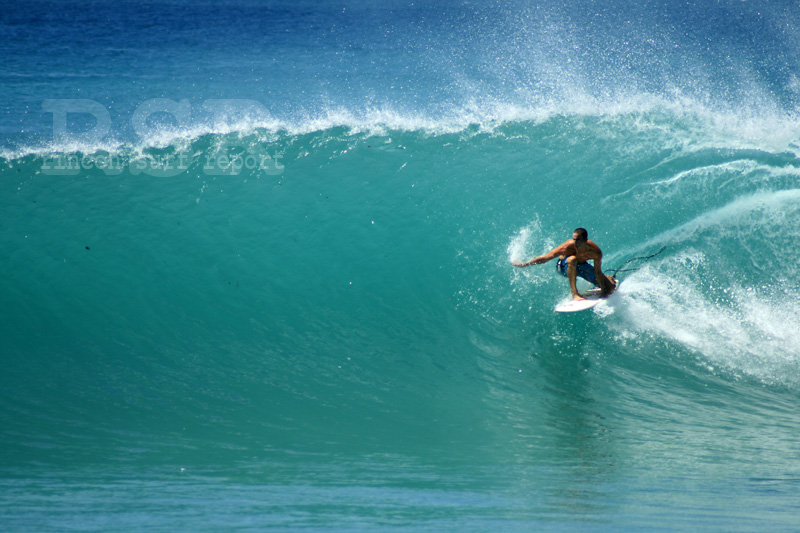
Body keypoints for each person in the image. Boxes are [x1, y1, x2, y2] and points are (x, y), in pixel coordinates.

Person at [513, 228, 616, 301]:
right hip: (563, 267)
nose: (575, 242)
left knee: (610, 288)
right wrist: (524, 264)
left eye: (578, 240)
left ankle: (606, 280)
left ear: (585, 240)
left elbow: (597, 271)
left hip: (581, 266)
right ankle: (575, 294)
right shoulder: (567, 247)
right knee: (572, 259)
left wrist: (603, 289)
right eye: (574, 239)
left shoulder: (595, 252)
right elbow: (545, 258)